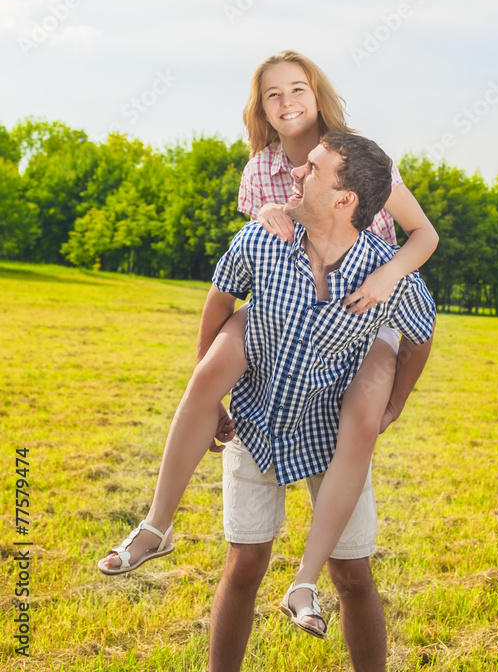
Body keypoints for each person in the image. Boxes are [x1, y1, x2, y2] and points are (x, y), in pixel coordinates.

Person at [98, 51, 438, 639]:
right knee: (213, 368)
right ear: (261, 108)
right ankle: (157, 524)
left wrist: (386, 279)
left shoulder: (354, 155)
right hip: (285, 298)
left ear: (317, 93)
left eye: (297, 89)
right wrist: (274, 212)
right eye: (272, 95)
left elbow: (423, 235)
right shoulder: (260, 169)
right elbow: (254, 254)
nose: (287, 103)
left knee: (360, 418)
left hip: (367, 301)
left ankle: (305, 579)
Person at [205, 131, 435, 671]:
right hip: (263, 404)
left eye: (312, 168)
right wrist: (213, 388)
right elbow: (222, 296)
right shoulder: (266, 193)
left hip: (337, 399)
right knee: (244, 563)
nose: (298, 174)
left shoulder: (366, 187)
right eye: (272, 96)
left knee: (352, 571)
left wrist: (393, 403)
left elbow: (423, 261)